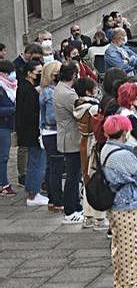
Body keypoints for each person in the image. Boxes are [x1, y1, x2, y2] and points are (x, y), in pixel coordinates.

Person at [101, 115, 137, 288]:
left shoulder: (106, 149)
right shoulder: (123, 155)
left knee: (119, 248)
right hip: (129, 205)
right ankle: (131, 287)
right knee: (133, 248)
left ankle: (121, 285)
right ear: (123, 132)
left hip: (116, 205)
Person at [53, 61, 86, 223]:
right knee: (73, 176)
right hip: (71, 138)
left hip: (68, 136)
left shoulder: (61, 88)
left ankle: (76, 206)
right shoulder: (68, 94)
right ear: (73, 75)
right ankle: (70, 210)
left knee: (74, 174)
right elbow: (80, 112)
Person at [73, 76, 106, 228]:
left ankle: (88, 215)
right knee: (96, 179)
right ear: (88, 91)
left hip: (83, 142)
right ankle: (98, 217)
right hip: (93, 143)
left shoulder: (78, 105)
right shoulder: (93, 107)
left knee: (87, 178)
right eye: (94, 88)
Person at [17, 60, 47, 206]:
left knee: (33, 162)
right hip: (33, 131)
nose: (40, 75)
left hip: (28, 131)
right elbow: (31, 112)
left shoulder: (25, 86)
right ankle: (33, 194)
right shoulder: (28, 89)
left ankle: (31, 191)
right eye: (38, 72)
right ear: (29, 73)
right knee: (37, 162)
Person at [39, 61, 62, 208]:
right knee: (56, 168)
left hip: (49, 132)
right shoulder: (49, 91)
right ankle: (57, 199)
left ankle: (52, 200)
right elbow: (50, 117)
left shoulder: (46, 90)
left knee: (51, 167)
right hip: (52, 132)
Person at [0, 60, 16, 196]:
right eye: (9, 73)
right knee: (3, 156)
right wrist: (12, 109)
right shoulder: (1, 88)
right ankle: (3, 184)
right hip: (2, 126)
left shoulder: (10, 87)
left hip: (7, 125)